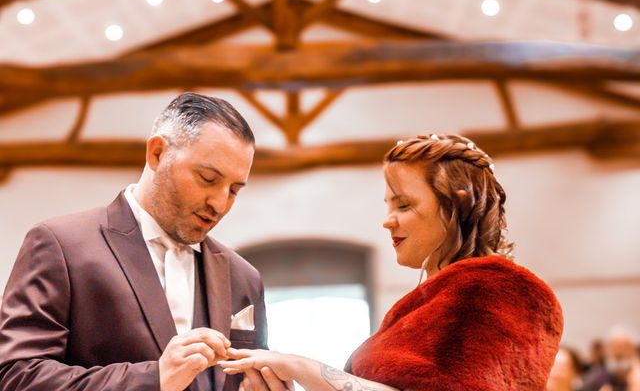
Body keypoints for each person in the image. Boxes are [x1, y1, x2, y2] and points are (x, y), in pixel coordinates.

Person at [220, 134, 564, 391]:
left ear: (456, 205)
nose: (387, 221)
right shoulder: (421, 305)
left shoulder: (498, 291)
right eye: (388, 206)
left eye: (403, 206)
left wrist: (299, 366)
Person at [0, 93, 268, 391]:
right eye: (207, 178)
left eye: (233, 190)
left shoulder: (244, 278)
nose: (219, 203)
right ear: (157, 153)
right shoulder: (61, 246)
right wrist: (154, 380)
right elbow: (16, 377)